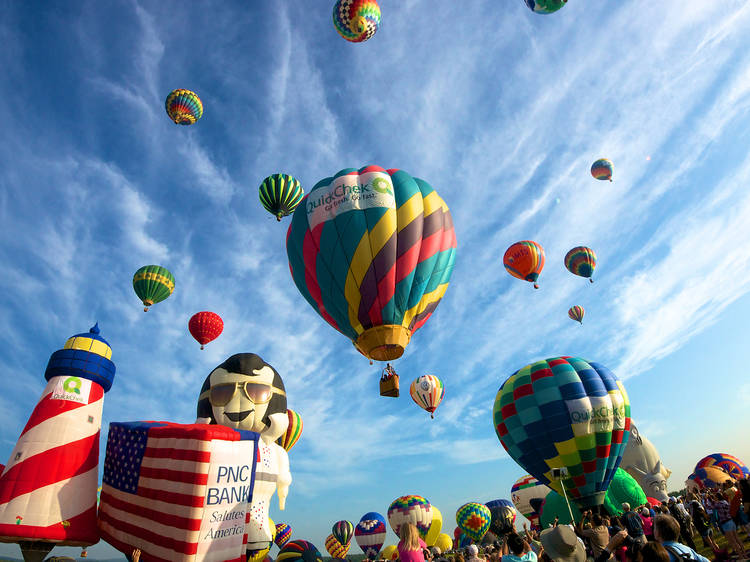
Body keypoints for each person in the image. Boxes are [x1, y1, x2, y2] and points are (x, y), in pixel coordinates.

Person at [712, 492, 746, 558]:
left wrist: (709, 500)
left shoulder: (718, 504)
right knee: (737, 538)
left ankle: (741, 556)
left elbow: (710, 507)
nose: (714, 498)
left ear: (717, 497)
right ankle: (744, 553)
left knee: (732, 541)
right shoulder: (725, 501)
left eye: (715, 497)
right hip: (731, 521)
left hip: (726, 523)